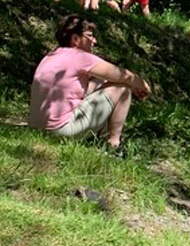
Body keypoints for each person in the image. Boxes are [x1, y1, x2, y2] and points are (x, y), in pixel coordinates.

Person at [29, 14, 151, 150]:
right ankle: (114, 145)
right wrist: (143, 85)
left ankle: (99, 138)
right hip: (61, 130)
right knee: (122, 90)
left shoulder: (51, 56)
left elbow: (106, 78)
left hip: (37, 129)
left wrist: (129, 84)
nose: (94, 41)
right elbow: (124, 75)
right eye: (90, 36)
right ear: (75, 39)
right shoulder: (80, 57)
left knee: (102, 81)